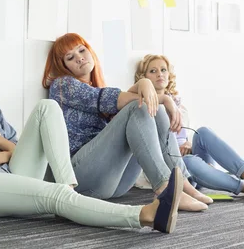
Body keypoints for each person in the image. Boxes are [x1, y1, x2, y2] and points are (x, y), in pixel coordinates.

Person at [0, 45, 184, 233]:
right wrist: (3, 154)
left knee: (48, 107)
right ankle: (144, 215)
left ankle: (67, 185)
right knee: (54, 196)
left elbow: (17, 147)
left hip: (13, 172)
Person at [43, 33, 212, 212]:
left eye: (82, 50)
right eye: (70, 57)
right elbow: (109, 100)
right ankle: (165, 189)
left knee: (155, 109)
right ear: (64, 66)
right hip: (80, 177)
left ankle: (183, 183)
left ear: (90, 51)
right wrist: (152, 89)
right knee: (140, 106)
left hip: (115, 184)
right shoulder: (63, 85)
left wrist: (147, 88)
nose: (79, 58)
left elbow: (119, 105)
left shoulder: (94, 85)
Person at [134, 54, 244, 201]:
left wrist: (189, 144)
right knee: (189, 161)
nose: (159, 74)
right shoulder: (143, 107)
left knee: (203, 132)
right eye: (153, 71)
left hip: (190, 160)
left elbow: (182, 136)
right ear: (145, 77)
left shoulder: (179, 107)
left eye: (163, 70)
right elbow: (150, 146)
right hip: (174, 169)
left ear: (169, 75)